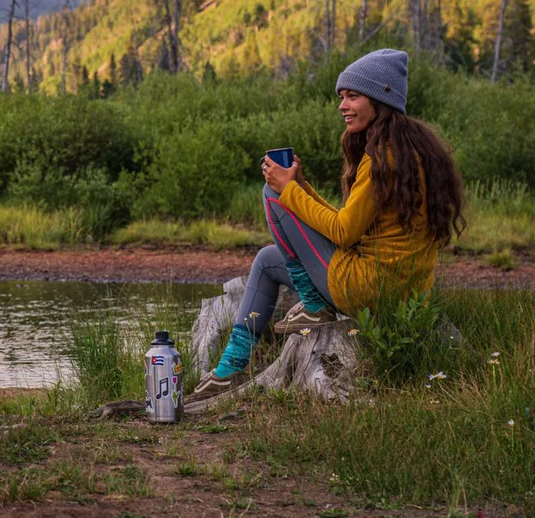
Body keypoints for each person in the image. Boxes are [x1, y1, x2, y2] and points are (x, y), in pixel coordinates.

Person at [191, 49, 466, 402]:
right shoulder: (407, 150)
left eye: (352, 96)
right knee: (267, 260)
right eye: (342, 97)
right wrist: (301, 188)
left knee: (271, 193)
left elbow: (343, 233)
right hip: (399, 292)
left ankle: (310, 307)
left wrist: (288, 191)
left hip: (367, 289)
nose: (342, 105)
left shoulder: (381, 159)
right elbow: (349, 224)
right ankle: (230, 368)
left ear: (380, 98)